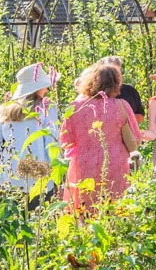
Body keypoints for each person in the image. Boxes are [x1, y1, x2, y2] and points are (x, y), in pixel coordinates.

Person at [59, 64, 140, 212]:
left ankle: (84, 233)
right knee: (115, 205)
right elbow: (136, 137)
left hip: (84, 163)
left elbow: (66, 140)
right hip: (115, 161)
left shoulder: (75, 107)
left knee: (85, 205)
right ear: (116, 83)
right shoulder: (121, 105)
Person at [0, 63, 59, 208]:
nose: (47, 89)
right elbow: (52, 145)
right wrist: (57, 180)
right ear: (37, 87)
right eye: (45, 86)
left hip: (8, 180)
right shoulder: (47, 109)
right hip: (39, 181)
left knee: (10, 225)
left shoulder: (4, 110)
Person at [96, 55, 147, 126]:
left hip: (126, 133)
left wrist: (124, 122)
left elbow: (140, 115)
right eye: (109, 71)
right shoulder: (94, 93)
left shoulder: (130, 91)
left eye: (116, 70)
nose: (112, 74)